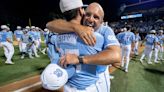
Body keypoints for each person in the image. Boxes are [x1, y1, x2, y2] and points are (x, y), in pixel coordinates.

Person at [46, 0, 121, 91]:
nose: (90, 19)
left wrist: (79, 59)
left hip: (95, 80)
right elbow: (49, 25)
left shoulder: (104, 30)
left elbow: (116, 56)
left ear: (102, 21)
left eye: (96, 17)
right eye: (88, 14)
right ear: (82, 12)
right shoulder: (73, 28)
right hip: (75, 81)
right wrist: (76, 27)